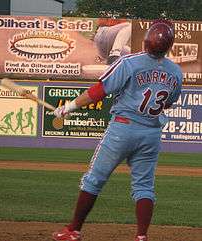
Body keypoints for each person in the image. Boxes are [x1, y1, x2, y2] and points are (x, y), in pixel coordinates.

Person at [52, 19, 182, 241]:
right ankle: (141, 236)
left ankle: (73, 230)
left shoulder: (130, 62)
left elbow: (99, 91)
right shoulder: (176, 71)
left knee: (94, 179)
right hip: (151, 133)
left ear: (147, 40)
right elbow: (168, 102)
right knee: (144, 187)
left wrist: (69, 107)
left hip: (123, 128)